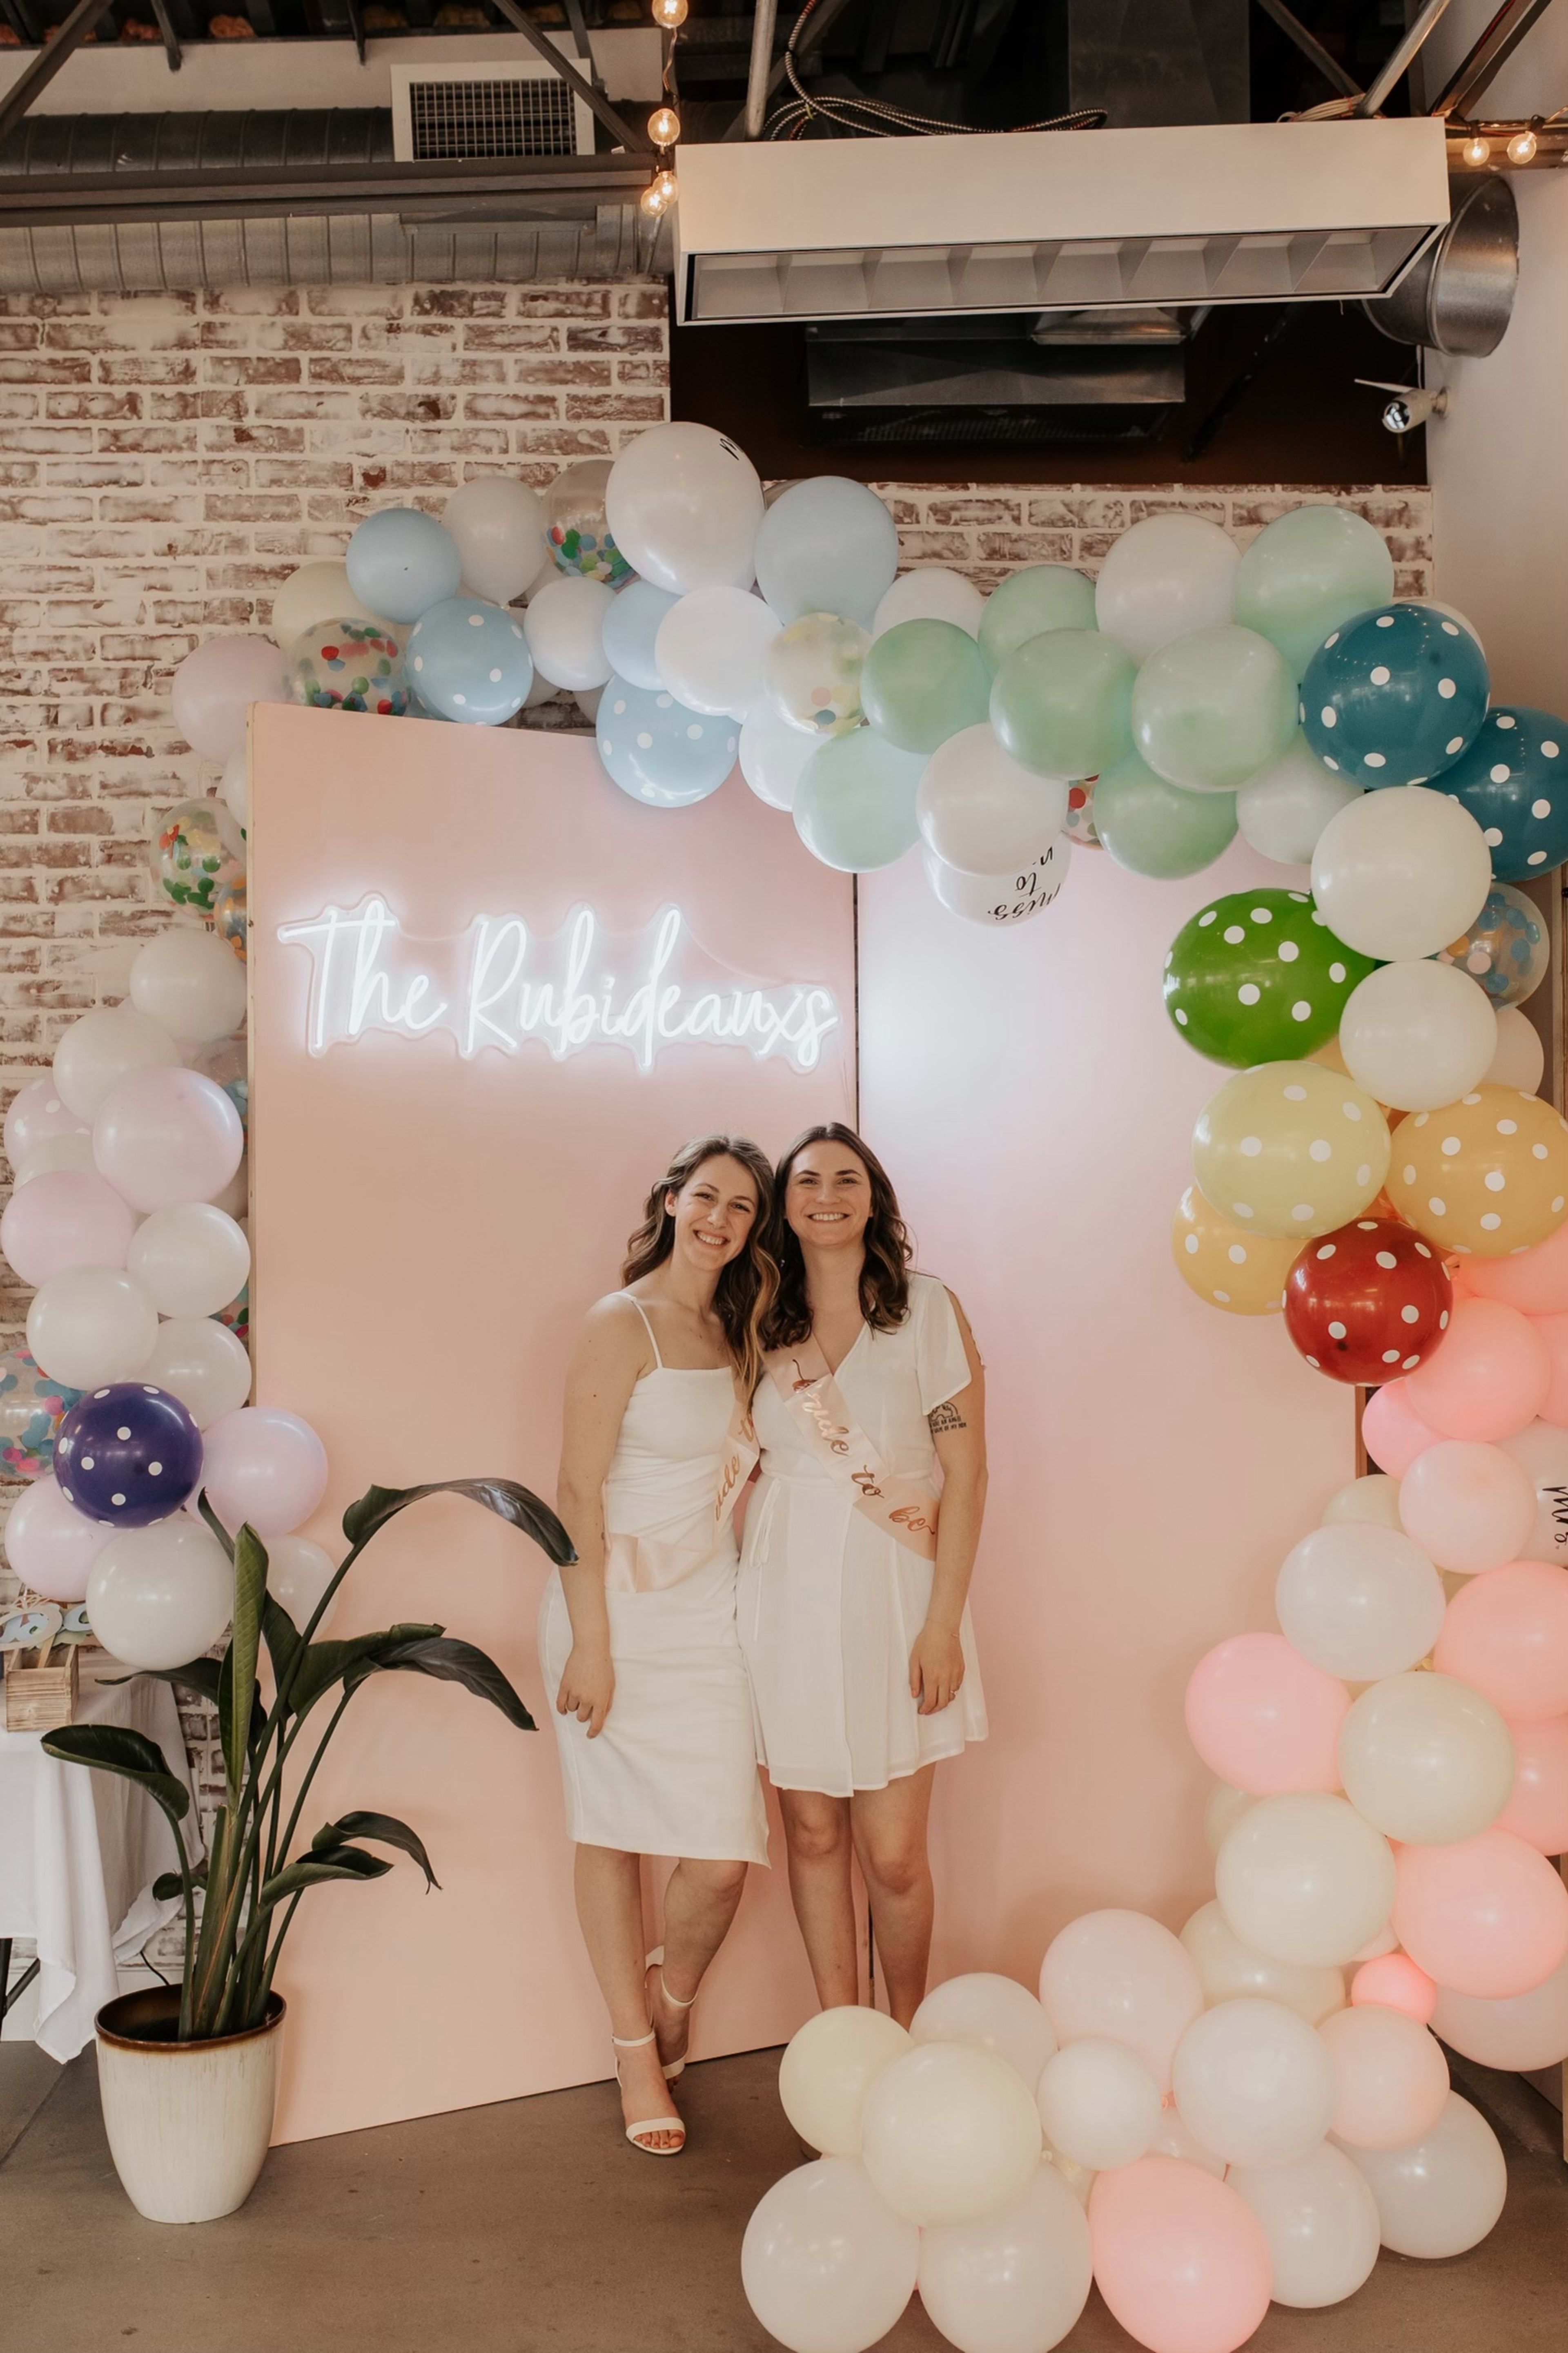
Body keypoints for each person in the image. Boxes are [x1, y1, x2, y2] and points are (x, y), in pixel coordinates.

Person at [541, 1135, 777, 2156]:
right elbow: (575, 1493)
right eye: (707, 1196)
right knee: (611, 1830)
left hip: (706, 1607)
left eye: (742, 1207)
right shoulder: (620, 1319)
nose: (721, 1218)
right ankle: (635, 2045)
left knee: (722, 1859)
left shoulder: (743, 1330)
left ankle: (672, 1994)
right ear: (673, 1200)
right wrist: (592, 1643)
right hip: (615, 1611)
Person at [738, 1122, 988, 2028]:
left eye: (848, 1178)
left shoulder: (927, 1307)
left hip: (898, 1594)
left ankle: (910, 2029)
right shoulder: (759, 1318)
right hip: (784, 1590)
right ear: (785, 1203)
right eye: (807, 1180)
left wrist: (943, 1623)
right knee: (810, 1834)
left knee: (892, 1855)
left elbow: (968, 1472)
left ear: (874, 1197)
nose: (827, 1194)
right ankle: (841, 2037)